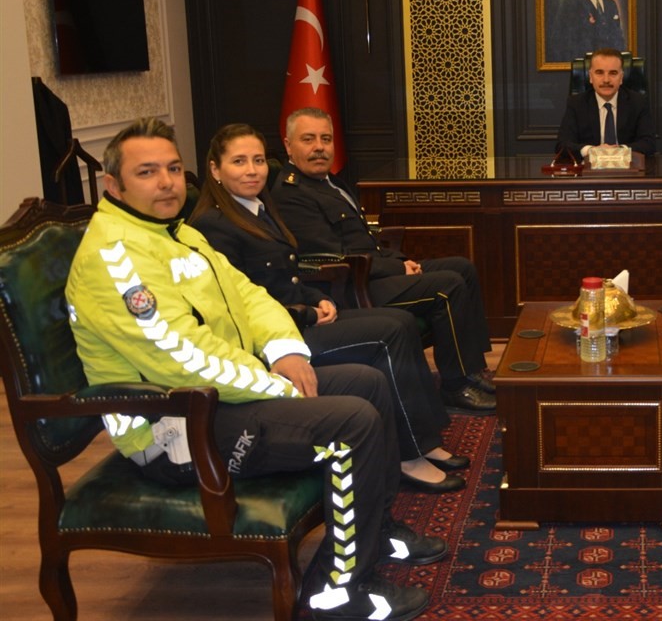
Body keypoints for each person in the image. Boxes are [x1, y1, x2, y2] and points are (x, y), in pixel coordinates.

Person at [65, 118, 444, 621]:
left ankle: (377, 533)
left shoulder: (176, 233)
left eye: (174, 169)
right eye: (147, 172)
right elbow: (179, 357)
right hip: (173, 426)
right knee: (349, 424)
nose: (166, 182)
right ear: (113, 185)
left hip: (223, 397)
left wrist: (289, 352)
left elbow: (249, 295)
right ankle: (339, 592)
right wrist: (275, 387)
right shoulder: (115, 256)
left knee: (367, 383)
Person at [190, 123, 469, 493]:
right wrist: (306, 311)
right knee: (388, 334)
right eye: (239, 161)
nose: (252, 170)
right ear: (215, 170)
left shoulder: (258, 208)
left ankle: (422, 439)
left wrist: (314, 296)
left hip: (299, 318)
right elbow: (241, 304)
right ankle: (408, 455)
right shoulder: (214, 226)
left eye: (258, 160)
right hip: (279, 342)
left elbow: (285, 275)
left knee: (400, 323)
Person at [272, 107, 496, 414]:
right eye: (308, 139)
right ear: (288, 145)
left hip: (375, 272)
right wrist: (396, 267)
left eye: (326, 138)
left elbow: (362, 239)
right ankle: (456, 386)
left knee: (462, 267)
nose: (319, 147)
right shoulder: (291, 193)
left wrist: (402, 259)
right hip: (350, 286)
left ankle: (470, 370)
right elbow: (335, 255)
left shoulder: (331, 182)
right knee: (448, 285)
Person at [556, 47, 656, 159]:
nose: (606, 80)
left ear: (621, 77)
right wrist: (592, 150)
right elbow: (562, 145)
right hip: (589, 172)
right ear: (590, 77)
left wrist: (618, 151)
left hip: (628, 171)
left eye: (613, 73)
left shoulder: (638, 102)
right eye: (599, 72)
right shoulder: (577, 103)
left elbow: (649, 143)